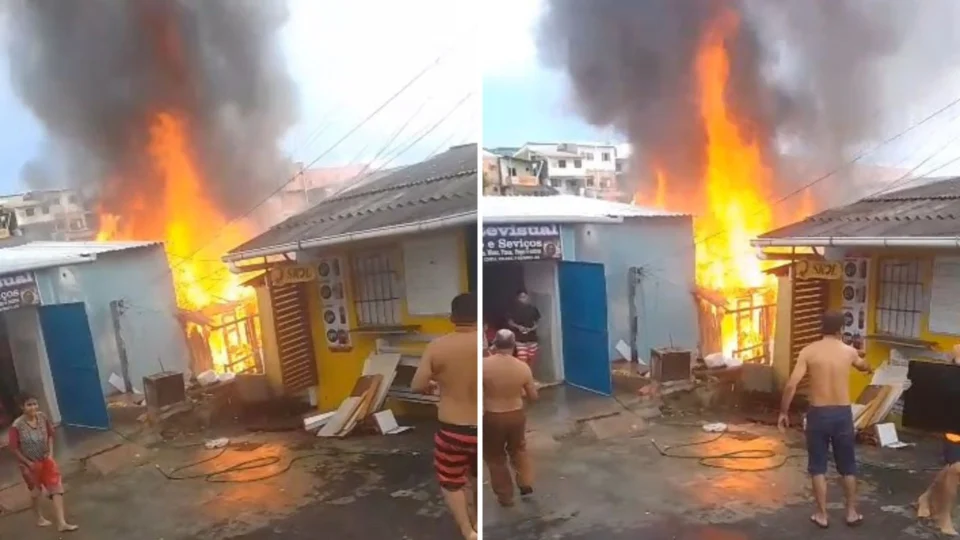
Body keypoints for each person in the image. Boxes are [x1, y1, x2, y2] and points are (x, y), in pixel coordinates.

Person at [778, 311, 873, 530]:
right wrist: (867, 365)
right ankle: (851, 512)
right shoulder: (848, 352)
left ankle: (822, 515)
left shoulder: (808, 352)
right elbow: (862, 365)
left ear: (821, 328)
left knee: (818, 467)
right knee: (848, 466)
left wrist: (783, 412)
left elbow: (792, 384)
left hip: (818, 414)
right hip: (842, 414)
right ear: (841, 330)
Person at [411, 293, 478, 540]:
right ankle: (479, 520)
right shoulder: (486, 347)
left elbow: (417, 385)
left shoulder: (437, 347)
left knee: (452, 482)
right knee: (475, 476)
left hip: (453, 430)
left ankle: (468, 531)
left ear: (453, 318)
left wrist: (433, 384)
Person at [7, 393, 78, 532]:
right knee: (36, 492)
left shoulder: (43, 417)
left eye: (34, 404)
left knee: (56, 488)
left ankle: (62, 523)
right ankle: (39, 517)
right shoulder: (17, 426)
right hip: (29, 464)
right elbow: (14, 448)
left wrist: (50, 454)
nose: (33, 407)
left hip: (46, 459)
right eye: (29, 405)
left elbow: (50, 435)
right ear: (22, 407)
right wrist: (28, 463)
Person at [483, 329, 538, 507]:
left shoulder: (483, 366)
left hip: (492, 416)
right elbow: (533, 397)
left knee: (495, 457)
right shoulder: (522, 367)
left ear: (495, 344)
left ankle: (505, 497)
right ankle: (526, 484)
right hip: (516, 415)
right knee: (519, 450)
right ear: (514, 344)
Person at [915, 344, 960, 536]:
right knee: (956, 468)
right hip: (954, 420)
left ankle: (925, 498)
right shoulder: (957, 350)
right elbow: (944, 384)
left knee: (950, 469)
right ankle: (944, 516)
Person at [508, 290, 541, 368]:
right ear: (517, 298)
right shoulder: (513, 310)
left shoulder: (533, 309)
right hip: (520, 338)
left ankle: (530, 376)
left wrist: (532, 328)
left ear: (528, 297)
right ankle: (523, 376)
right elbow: (509, 321)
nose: (523, 299)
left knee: (532, 359)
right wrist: (519, 327)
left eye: (525, 297)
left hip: (532, 338)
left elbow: (538, 321)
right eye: (521, 297)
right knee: (522, 358)